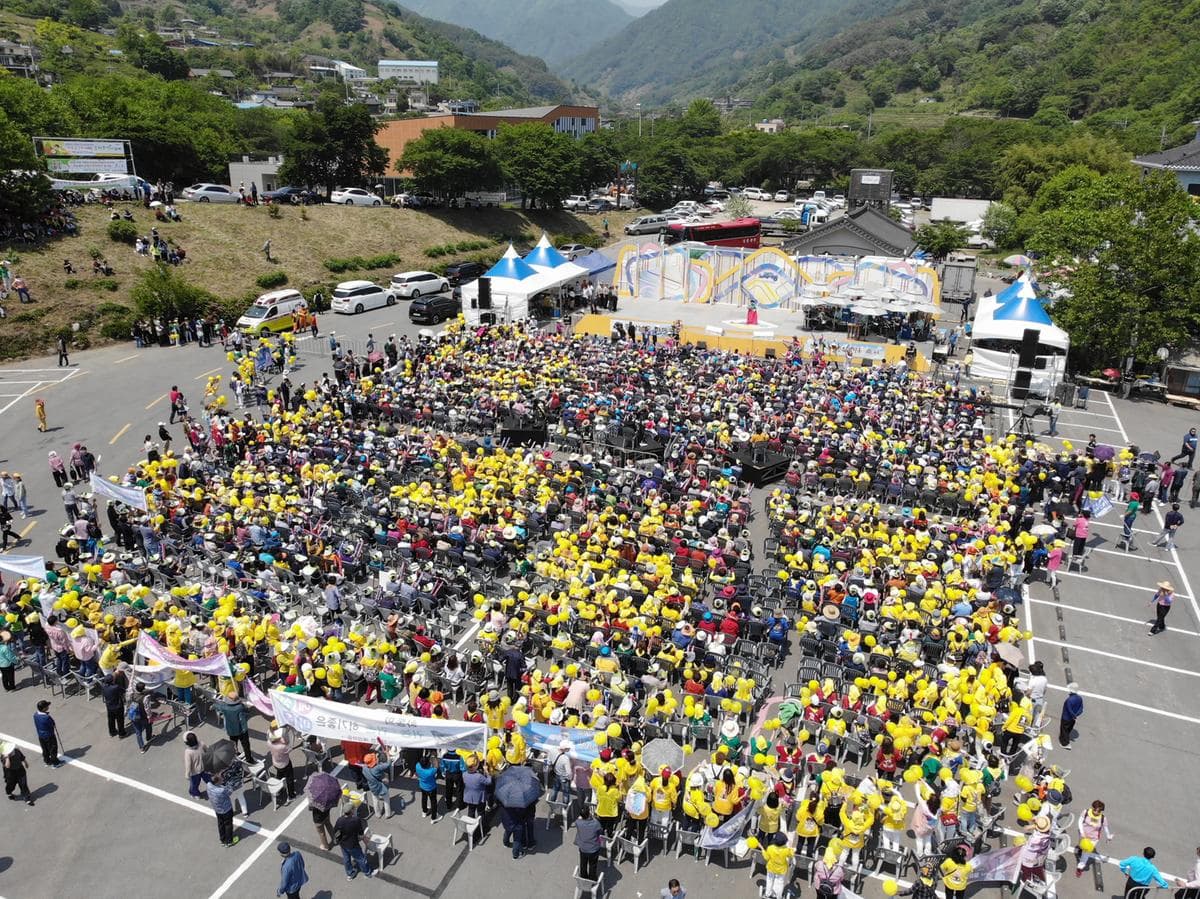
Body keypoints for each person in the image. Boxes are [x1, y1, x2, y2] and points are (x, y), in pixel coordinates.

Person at [333, 808, 374, 881]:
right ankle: (367, 872)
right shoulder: (355, 820)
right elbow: (361, 833)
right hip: (353, 844)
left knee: (346, 859)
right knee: (361, 858)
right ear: (351, 811)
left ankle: (350, 874)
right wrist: (364, 838)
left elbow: (335, 831)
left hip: (343, 843)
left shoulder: (340, 820)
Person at [214, 690, 253, 762]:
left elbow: (217, 706)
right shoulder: (240, 707)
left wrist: (213, 705)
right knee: (246, 745)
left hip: (231, 730)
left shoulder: (224, 707)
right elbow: (247, 711)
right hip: (242, 730)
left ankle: (235, 754)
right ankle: (249, 759)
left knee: (233, 744)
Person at [1076, 799, 1112, 876]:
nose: (1096, 812)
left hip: (1094, 839)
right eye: (1094, 810)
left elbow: (1106, 828)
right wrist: (1082, 832)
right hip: (1083, 835)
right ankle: (1081, 849)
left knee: (1086, 853)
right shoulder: (1086, 812)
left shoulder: (1103, 818)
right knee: (1081, 845)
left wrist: (1108, 836)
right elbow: (1080, 821)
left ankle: (1080, 867)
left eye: (1098, 811)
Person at [206, 770, 239, 846]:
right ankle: (229, 841)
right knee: (228, 825)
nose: (222, 779)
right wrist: (229, 785)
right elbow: (229, 792)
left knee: (220, 824)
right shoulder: (221, 790)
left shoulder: (208, 785)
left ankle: (222, 839)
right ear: (217, 782)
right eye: (221, 779)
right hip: (226, 810)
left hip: (217, 809)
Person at [574, 804, 604, 881]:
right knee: (593, 865)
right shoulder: (596, 823)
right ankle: (592, 879)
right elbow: (600, 832)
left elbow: (578, 820)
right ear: (589, 813)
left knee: (583, 864)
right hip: (594, 849)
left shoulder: (578, 823)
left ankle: (583, 877)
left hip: (583, 848)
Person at [763, 832, 795, 899]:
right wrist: (791, 849)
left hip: (771, 867)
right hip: (781, 870)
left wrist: (763, 851)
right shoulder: (786, 850)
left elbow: (766, 858)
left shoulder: (770, 848)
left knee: (769, 881)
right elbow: (791, 855)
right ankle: (778, 896)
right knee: (779, 883)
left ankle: (767, 894)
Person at [2, 741, 34, 805]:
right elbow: (7, 766)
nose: (12, 751)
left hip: (20, 770)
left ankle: (27, 798)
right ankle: (9, 792)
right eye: (10, 751)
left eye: (12, 750)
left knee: (23, 784)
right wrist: (7, 758)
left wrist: (26, 763)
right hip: (10, 773)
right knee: (11, 785)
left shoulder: (17, 751)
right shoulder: (4, 757)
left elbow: (22, 757)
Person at [363, 748, 392, 818]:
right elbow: (388, 764)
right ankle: (387, 814)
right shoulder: (378, 768)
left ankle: (378, 814)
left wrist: (375, 758)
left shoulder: (364, 768)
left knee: (375, 800)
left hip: (372, 787)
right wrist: (387, 754)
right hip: (382, 787)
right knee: (386, 800)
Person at [33, 699, 61, 767]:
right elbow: (52, 724)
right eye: (47, 706)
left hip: (41, 736)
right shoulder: (46, 717)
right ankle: (55, 763)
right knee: (53, 749)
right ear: (44, 708)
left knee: (45, 749)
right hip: (49, 736)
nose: (48, 707)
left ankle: (47, 761)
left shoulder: (35, 715)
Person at [415, 750, 440, 821]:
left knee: (424, 798)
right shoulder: (430, 771)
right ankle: (434, 818)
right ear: (427, 764)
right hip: (431, 788)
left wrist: (427, 755)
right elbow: (436, 765)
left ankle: (424, 811)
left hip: (422, 786)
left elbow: (423, 761)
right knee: (433, 802)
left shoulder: (417, 766)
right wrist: (434, 756)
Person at [1059, 683, 1083, 750]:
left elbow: (1069, 709)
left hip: (1066, 718)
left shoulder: (1069, 700)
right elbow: (1081, 709)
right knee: (1068, 729)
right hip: (1073, 719)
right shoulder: (1080, 698)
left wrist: (1073, 715)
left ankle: (1065, 744)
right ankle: (1065, 739)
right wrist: (1076, 715)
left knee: (1064, 730)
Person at [183, 730, 207, 799]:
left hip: (195, 772)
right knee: (209, 780)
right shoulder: (201, 744)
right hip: (205, 767)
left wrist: (187, 774)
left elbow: (188, 765)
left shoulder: (188, 752)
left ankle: (195, 794)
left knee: (194, 784)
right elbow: (207, 751)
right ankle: (213, 789)